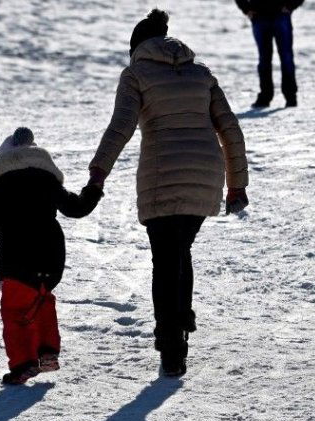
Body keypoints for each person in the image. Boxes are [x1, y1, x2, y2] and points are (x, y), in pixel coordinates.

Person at [86, 8, 250, 377]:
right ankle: (183, 315)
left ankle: (171, 345)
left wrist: (98, 175)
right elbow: (231, 129)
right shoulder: (201, 74)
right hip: (205, 173)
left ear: (137, 47)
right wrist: (236, 184)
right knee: (180, 248)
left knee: (166, 257)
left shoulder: (136, 74)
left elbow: (120, 127)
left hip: (163, 174)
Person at [0, 128, 103, 385]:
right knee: (42, 301)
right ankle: (47, 352)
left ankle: (23, 363)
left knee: (14, 312)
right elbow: (76, 208)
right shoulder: (46, 180)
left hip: (17, 258)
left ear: (2, 160)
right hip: (50, 257)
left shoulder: (0, 186)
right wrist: (93, 188)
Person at [236, 0, 304, 108]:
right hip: (259, 17)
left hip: (281, 16)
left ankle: (291, 97)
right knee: (264, 60)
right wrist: (246, 8)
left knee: (286, 58)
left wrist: (291, 5)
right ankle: (265, 97)